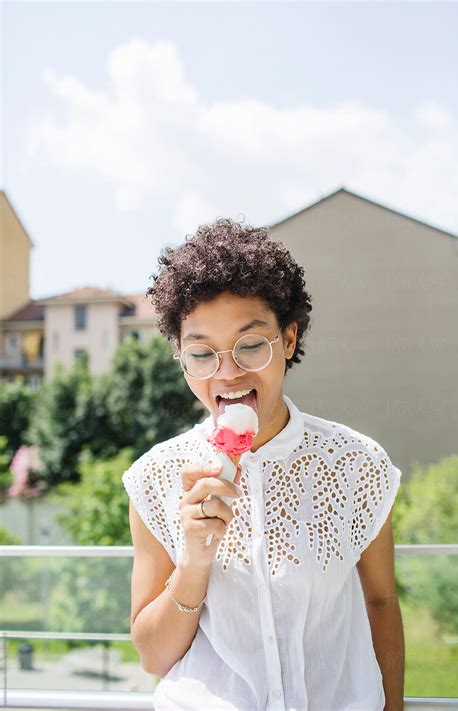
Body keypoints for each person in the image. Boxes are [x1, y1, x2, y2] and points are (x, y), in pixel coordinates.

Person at [122, 218, 405, 711]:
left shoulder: (360, 464)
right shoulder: (155, 476)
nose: (228, 372)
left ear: (289, 340)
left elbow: (380, 603)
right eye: (201, 353)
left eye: (251, 344)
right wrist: (193, 560)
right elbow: (152, 655)